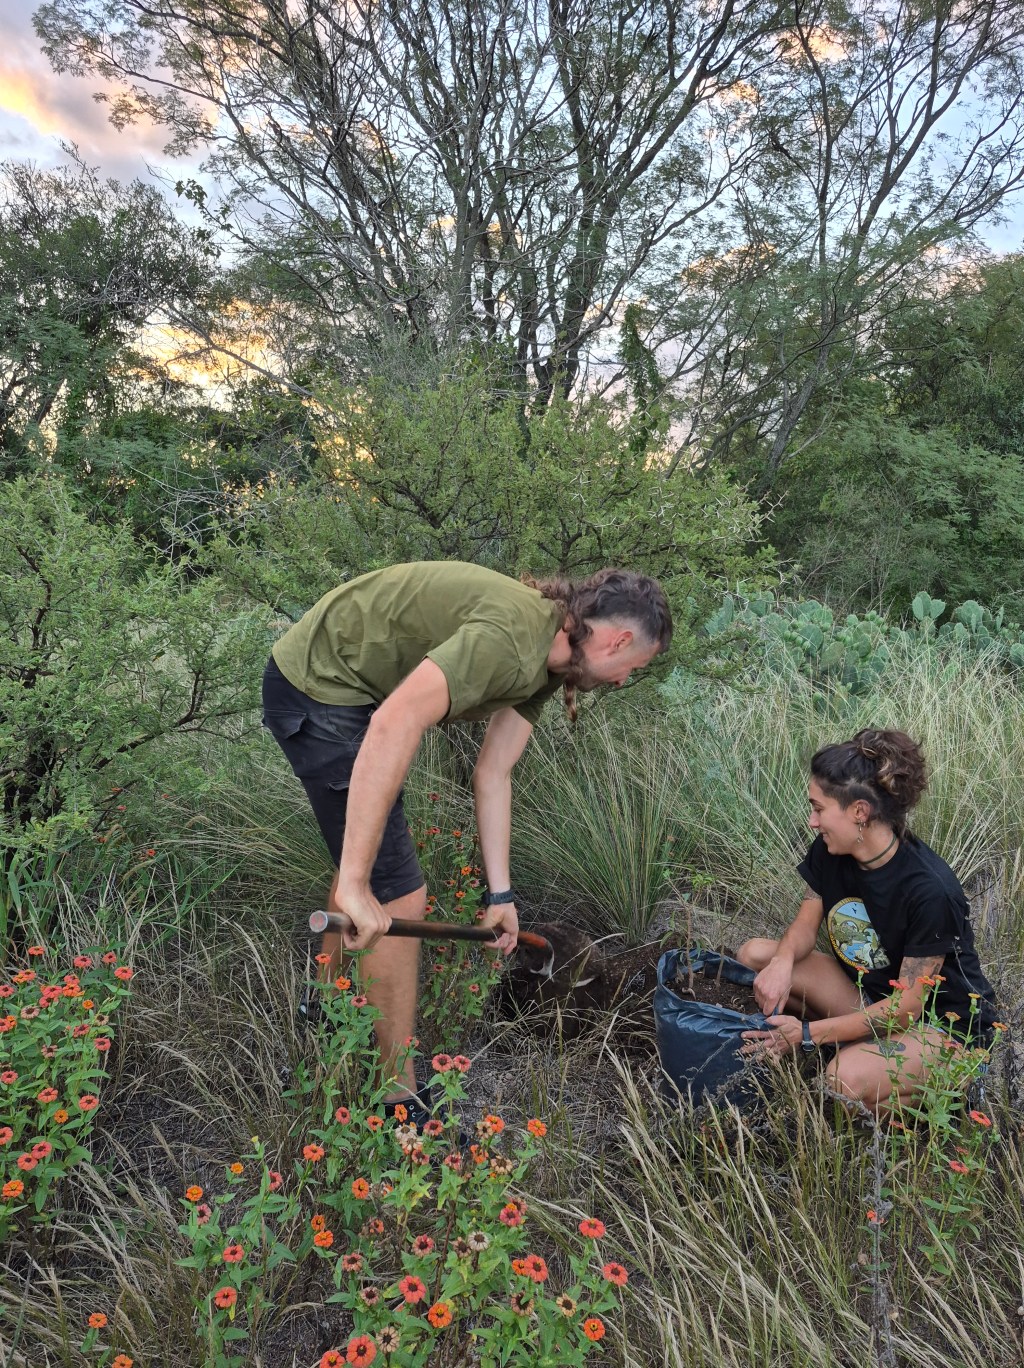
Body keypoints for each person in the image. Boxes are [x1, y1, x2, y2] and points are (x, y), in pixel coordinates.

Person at [262, 560, 672, 1117]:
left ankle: (323, 1016)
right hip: (321, 684)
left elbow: (494, 772)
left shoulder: (551, 662)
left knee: (374, 862)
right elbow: (394, 722)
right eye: (633, 666)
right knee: (397, 891)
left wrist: (500, 896)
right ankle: (399, 1103)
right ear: (619, 640)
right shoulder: (513, 640)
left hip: (349, 689)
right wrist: (357, 883)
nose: (623, 680)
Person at [738, 728, 997, 1118]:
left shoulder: (930, 890)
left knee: (841, 1080)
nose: (812, 821)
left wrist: (807, 1034)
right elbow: (805, 925)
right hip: (873, 998)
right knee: (755, 956)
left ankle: (955, 1090)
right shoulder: (831, 850)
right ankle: (860, 1048)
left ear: (859, 812)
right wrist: (781, 962)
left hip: (941, 1027)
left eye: (819, 808)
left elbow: (907, 1008)